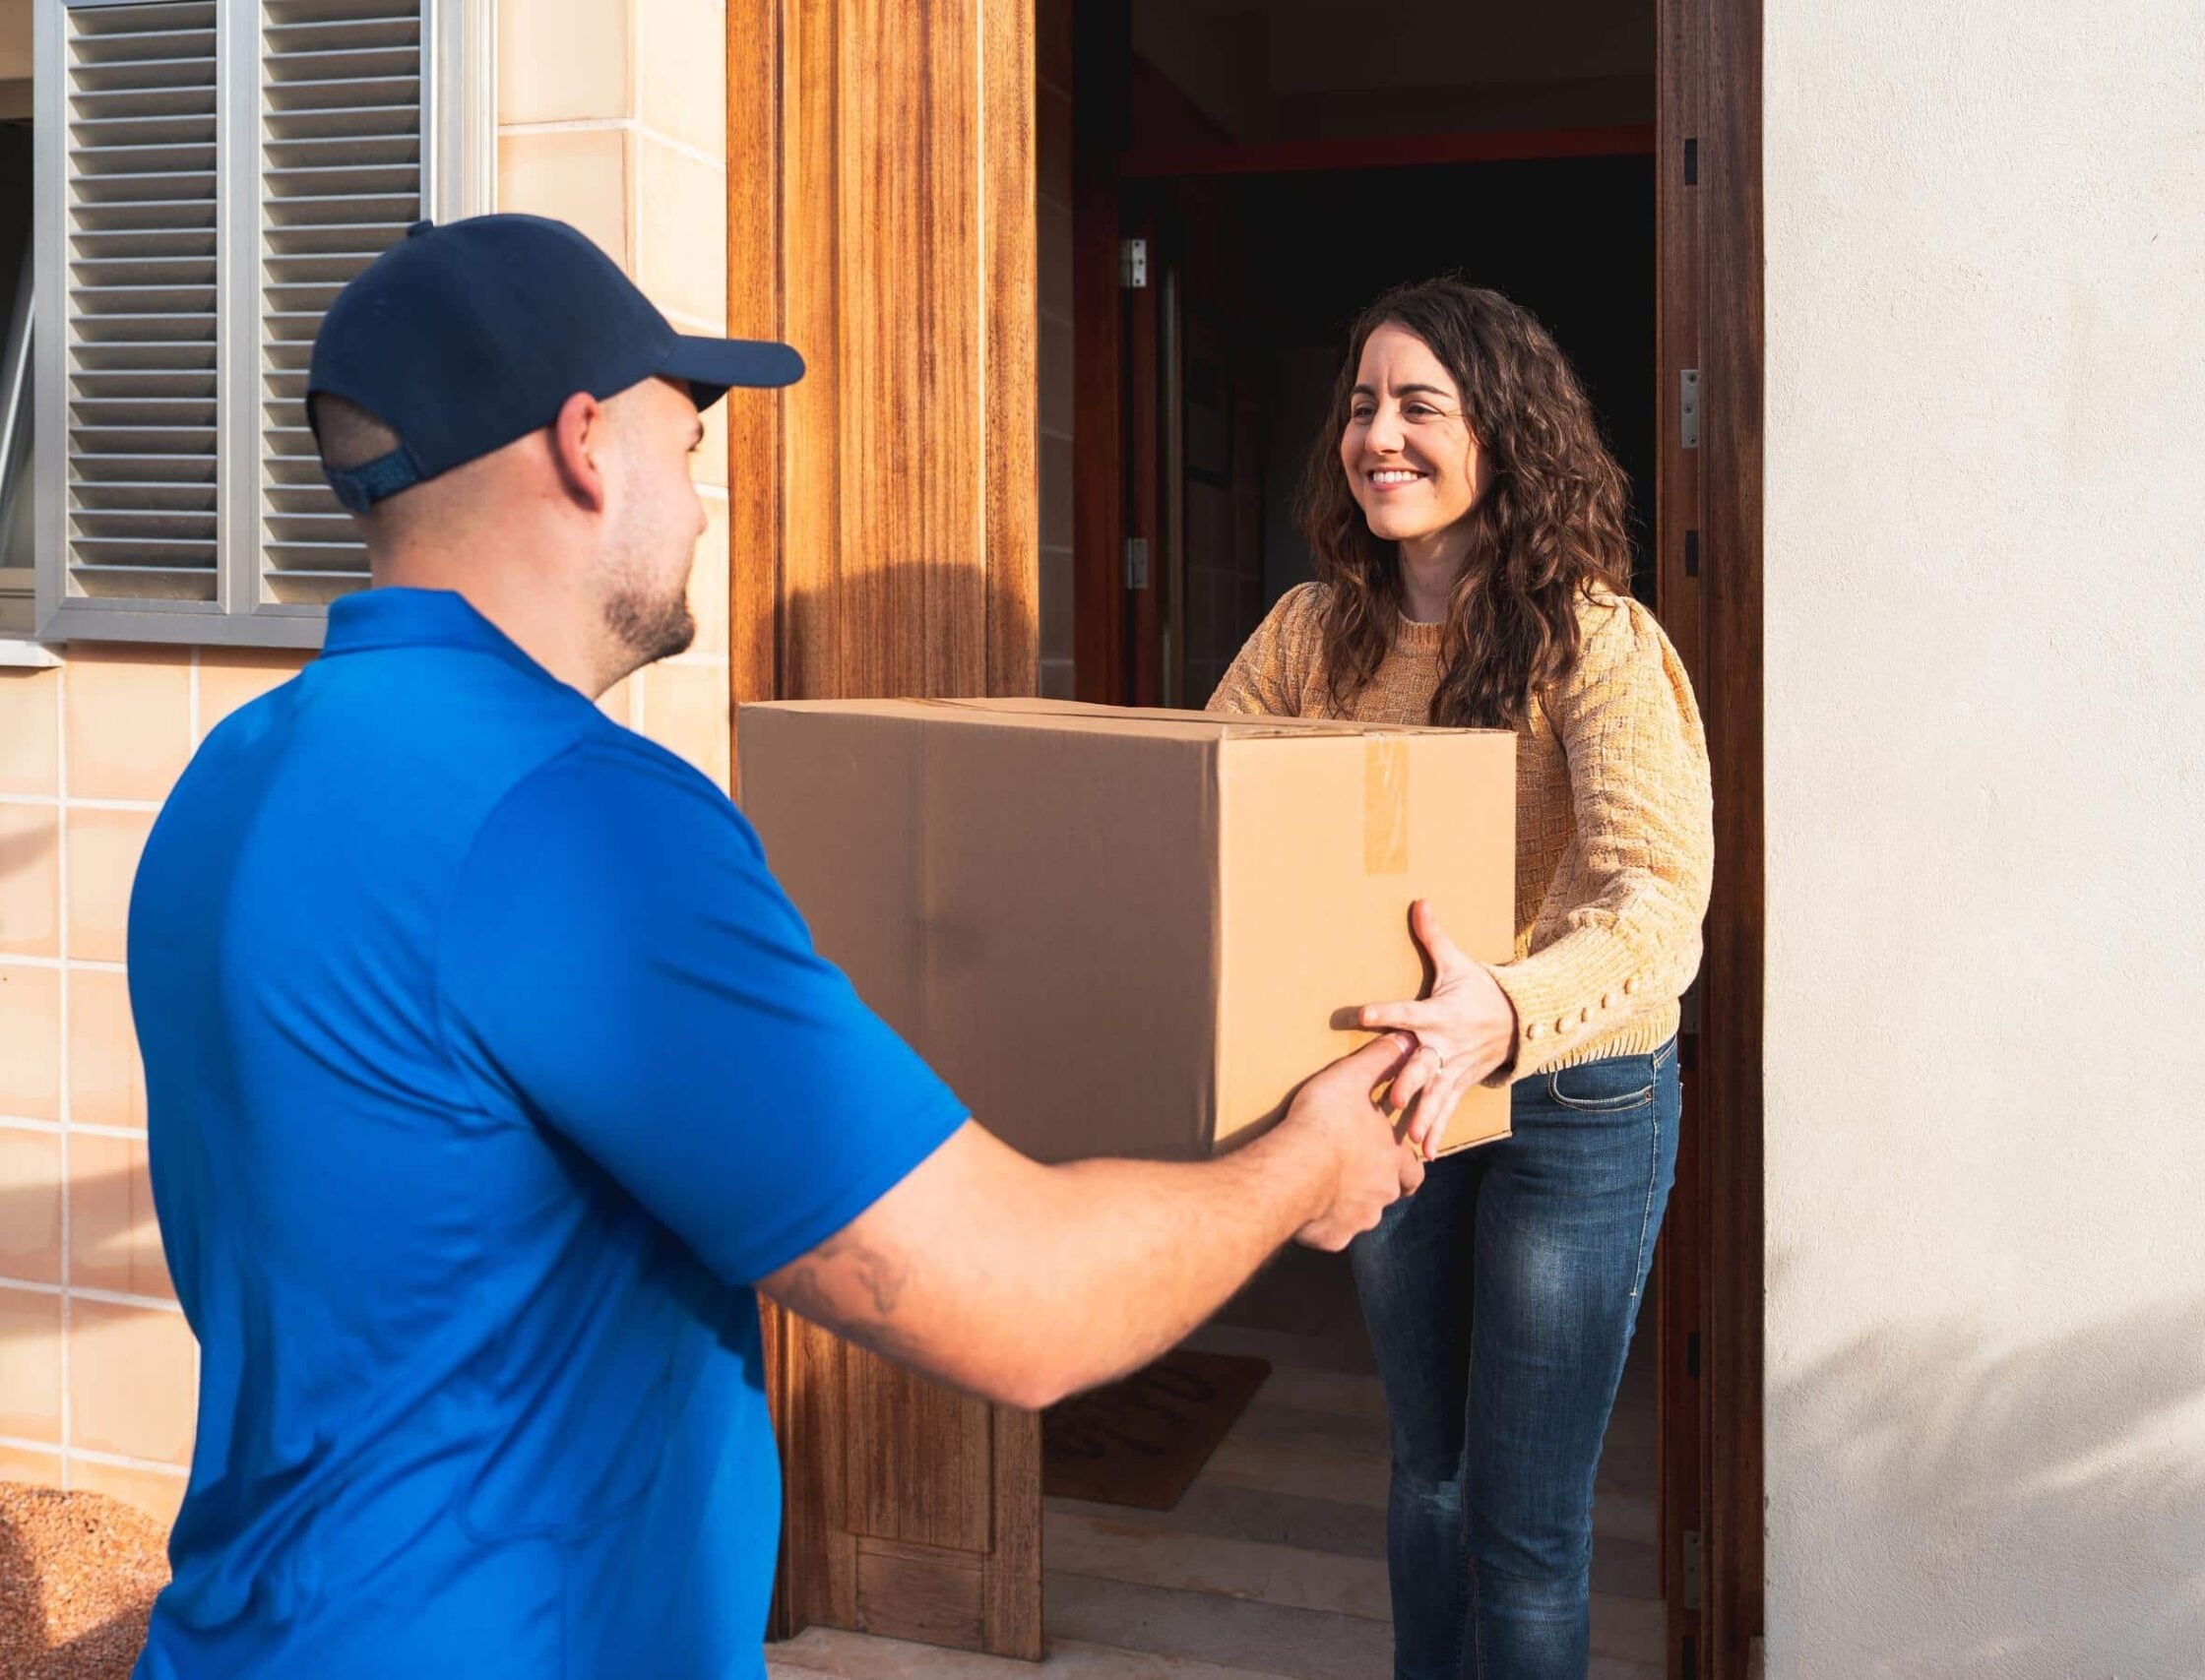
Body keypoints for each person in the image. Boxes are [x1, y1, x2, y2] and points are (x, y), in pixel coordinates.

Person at [125, 215, 1423, 1679]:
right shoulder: (581, 820)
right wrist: (1305, 1165)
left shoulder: (227, 779)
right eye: (688, 451)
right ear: (583, 448)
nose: (702, 505)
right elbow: (1020, 1305)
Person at [1209, 278, 1715, 1677]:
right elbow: (1209, 817)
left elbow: (1658, 900)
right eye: (1362, 405)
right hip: (1399, 1099)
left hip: (1577, 1102)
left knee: (1524, 1525)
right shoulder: (1312, 634)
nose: (1380, 434)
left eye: (1419, 405)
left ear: (1506, 432)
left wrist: (1508, 1003)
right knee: (1430, 1470)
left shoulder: (1595, 640)